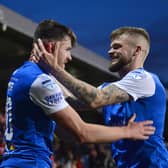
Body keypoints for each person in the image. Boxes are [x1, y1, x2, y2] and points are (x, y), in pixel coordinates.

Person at [0, 21, 155, 168]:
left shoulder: (21, 73)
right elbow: (82, 132)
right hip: (31, 163)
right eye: (67, 49)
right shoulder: (40, 82)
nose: (69, 57)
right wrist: (127, 131)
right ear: (50, 46)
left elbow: (69, 132)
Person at [33, 26, 168, 167]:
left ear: (137, 51)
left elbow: (95, 99)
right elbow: (75, 102)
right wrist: (45, 75)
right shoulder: (108, 89)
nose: (110, 52)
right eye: (111, 47)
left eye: (117, 47)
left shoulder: (145, 79)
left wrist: (54, 69)